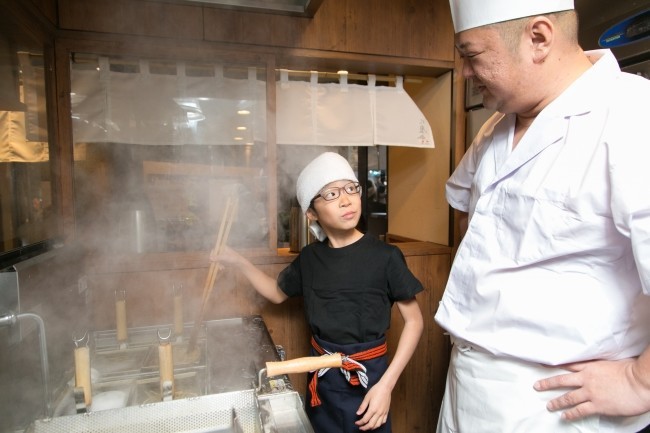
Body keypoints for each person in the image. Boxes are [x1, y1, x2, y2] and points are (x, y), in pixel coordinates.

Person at [434, 1, 650, 432]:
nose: (465, 74)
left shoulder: (632, 116)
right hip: (467, 387)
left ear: (538, 38)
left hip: (555, 406)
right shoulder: (496, 126)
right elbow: (467, 215)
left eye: (471, 56)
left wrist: (640, 381)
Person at [212, 152, 424, 432]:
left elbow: (415, 321)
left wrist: (386, 386)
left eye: (351, 188)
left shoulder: (386, 257)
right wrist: (238, 261)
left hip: (370, 378)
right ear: (311, 212)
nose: (346, 199)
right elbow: (276, 293)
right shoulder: (310, 258)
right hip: (323, 379)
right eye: (331, 194)